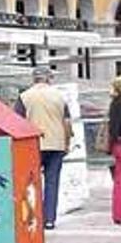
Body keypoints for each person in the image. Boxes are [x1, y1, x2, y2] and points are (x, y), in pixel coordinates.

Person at [15, 67, 72, 230]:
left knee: (31, 181)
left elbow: (18, 122)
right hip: (57, 143)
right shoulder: (59, 97)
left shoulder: (25, 97)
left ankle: (33, 216)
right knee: (52, 181)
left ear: (34, 79)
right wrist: (66, 143)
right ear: (49, 78)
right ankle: (49, 219)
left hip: (33, 144)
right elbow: (67, 122)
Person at [108, 77, 121, 225]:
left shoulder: (115, 104)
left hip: (119, 144)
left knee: (119, 180)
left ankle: (118, 214)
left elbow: (113, 128)